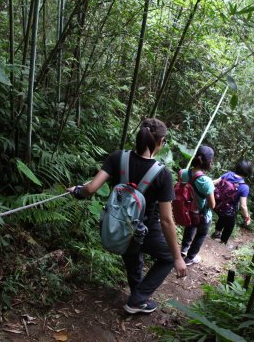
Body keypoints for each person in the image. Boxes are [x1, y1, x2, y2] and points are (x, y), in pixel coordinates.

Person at [67, 118, 187, 314]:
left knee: (132, 255)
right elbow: (166, 220)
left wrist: (77, 191)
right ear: (160, 141)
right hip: (146, 229)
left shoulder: (117, 158)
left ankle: (137, 299)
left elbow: (91, 188)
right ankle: (138, 299)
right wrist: (178, 257)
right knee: (167, 258)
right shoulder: (163, 174)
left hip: (118, 225)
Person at [179, 146, 216, 266]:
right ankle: (190, 257)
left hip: (187, 211)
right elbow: (212, 204)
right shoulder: (207, 181)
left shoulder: (183, 173)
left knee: (189, 228)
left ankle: (183, 250)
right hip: (202, 215)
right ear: (209, 162)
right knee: (201, 234)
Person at [211, 160, 253, 244]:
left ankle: (216, 233)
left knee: (222, 218)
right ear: (248, 173)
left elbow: (214, 182)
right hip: (228, 210)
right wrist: (246, 216)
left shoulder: (228, 174)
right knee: (230, 224)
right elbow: (243, 206)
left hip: (217, 205)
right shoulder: (244, 187)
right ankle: (223, 241)